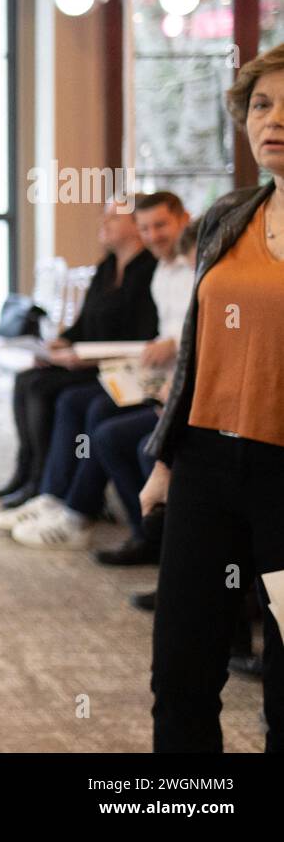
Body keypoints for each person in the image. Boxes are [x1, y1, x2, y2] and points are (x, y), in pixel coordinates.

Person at [140, 44, 284, 752]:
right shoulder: (232, 214)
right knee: (182, 673)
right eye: (261, 104)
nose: (274, 119)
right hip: (204, 465)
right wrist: (165, 459)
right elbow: (197, 348)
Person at [0, 192, 191, 550]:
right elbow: (86, 325)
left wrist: (167, 346)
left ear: (183, 220)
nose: (153, 235)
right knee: (38, 383)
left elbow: (159, 336)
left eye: (158, 225)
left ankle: (76, 509)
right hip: (143, 370)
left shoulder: (163, 269)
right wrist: (63, 344)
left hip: (138, 370)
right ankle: (46, 489)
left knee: (88, 405)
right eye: (147, 227)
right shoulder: (140, 270)